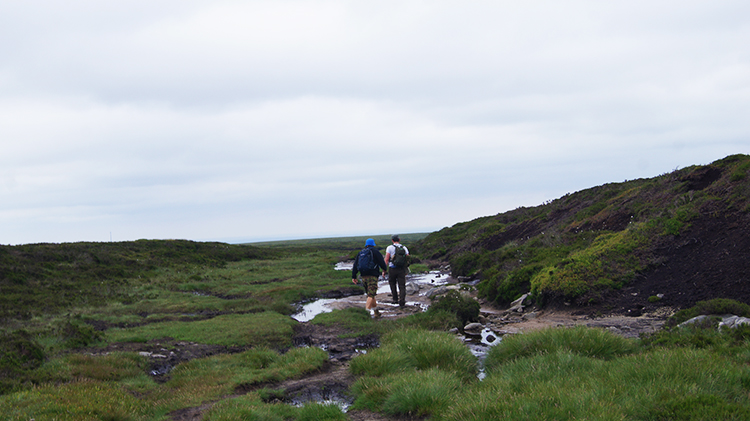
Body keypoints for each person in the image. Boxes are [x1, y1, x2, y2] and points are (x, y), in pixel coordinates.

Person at [352, 238, 387, 317]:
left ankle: (376, 313)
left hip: (363, 275)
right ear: (373, 244)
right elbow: (382, 263)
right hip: (373, 276)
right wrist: (384, 270)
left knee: (371, 294)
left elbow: (355, 265)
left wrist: (354, 276)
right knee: (371, 295)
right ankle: (366, 313)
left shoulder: (361, 253)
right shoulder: (375, 252)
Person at [384, 234, 409, 308]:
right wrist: (406, 268)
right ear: (399, 240)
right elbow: (407, 257)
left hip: (392, 268)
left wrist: (384, 270)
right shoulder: (404, 247)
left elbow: (387, 259)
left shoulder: (389, 248)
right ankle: (402, 301)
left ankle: (395, 299)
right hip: (401, 269)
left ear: (392, 240)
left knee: (392, 283)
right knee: (402, 286)